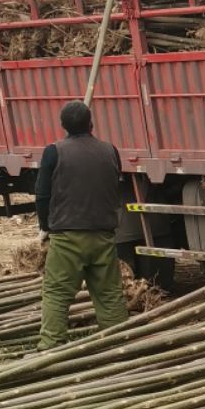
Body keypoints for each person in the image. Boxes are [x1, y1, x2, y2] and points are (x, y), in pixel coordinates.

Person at [35, 100, 129, 348]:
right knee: (109, 294)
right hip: (103, 235)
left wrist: (45, 226)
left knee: (56, 294)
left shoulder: (54, 151)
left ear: (62, 126)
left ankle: (51, 347)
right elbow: (113, 185)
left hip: (67, 237)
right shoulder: (110, 150)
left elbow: (43, 195)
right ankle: (118, 345)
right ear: (91, 123)